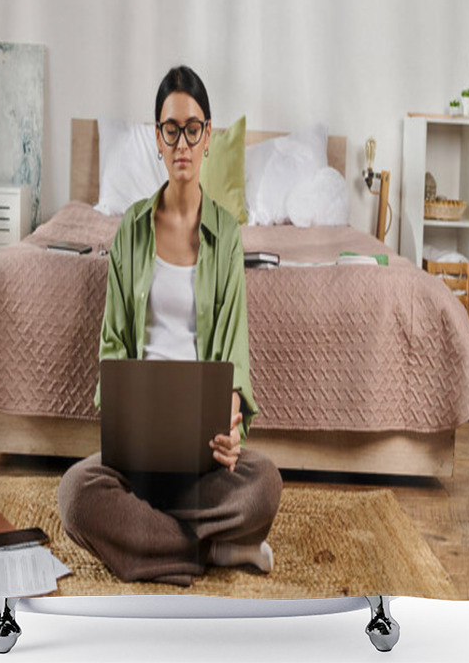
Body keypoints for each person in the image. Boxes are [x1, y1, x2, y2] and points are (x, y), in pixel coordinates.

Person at [58, 66, 282, 586]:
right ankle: (217, 550)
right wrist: (124, 425)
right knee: (75, 495)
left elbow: (234, 354)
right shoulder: (130, 231)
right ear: (157, 138)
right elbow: (112, 346)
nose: (182, 143)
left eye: (192, 128)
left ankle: (148, 545)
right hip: (140, 450)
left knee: (264, 483)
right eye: (170, 129)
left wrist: (231, 421)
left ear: (208, 136)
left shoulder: (226, 237)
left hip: (203, 454)